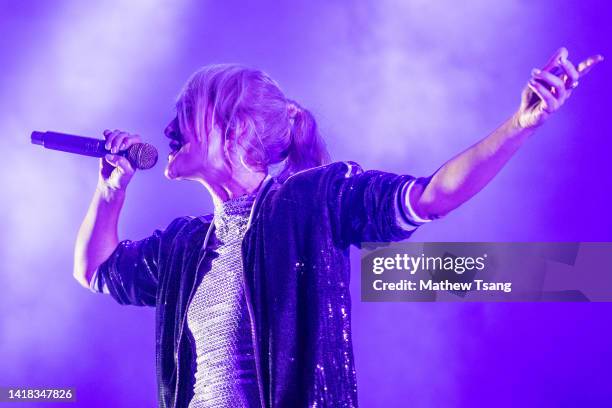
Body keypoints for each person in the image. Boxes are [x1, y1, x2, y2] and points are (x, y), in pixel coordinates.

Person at [73, 47, 602, 408]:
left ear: (234, 127)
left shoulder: (312, 201)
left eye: (186, 112)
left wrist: (518, 125)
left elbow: (433, 195)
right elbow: (94, 269)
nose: (168, 129)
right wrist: (110, 189)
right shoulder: (186, 246)